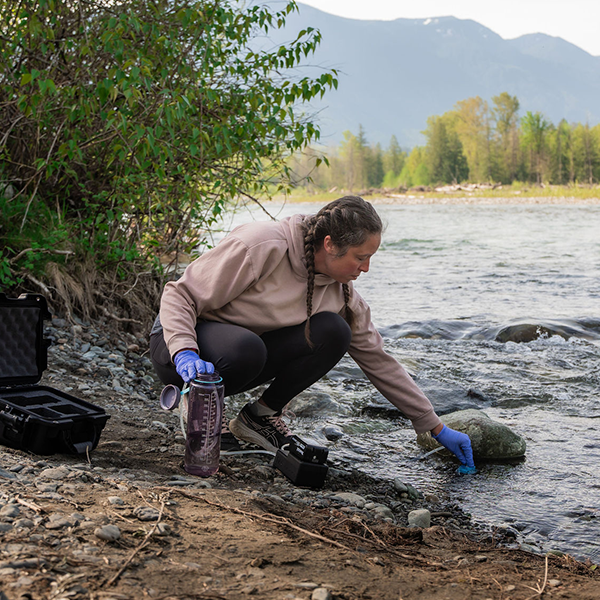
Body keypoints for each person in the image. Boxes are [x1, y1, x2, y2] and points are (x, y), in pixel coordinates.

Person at [149, 196, 475, 470]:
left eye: (370, 258)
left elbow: (378, 359)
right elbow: (180, 295)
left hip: (237, 354)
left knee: (334, 330)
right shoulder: (261, 245)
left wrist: (434, 425)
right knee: (247, 348)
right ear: (330, 245)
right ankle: (200, 407)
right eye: (360, 258)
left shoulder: (342, 292)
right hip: (178, 344)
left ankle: (258, 418)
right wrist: (184, 351)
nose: (366, 268)